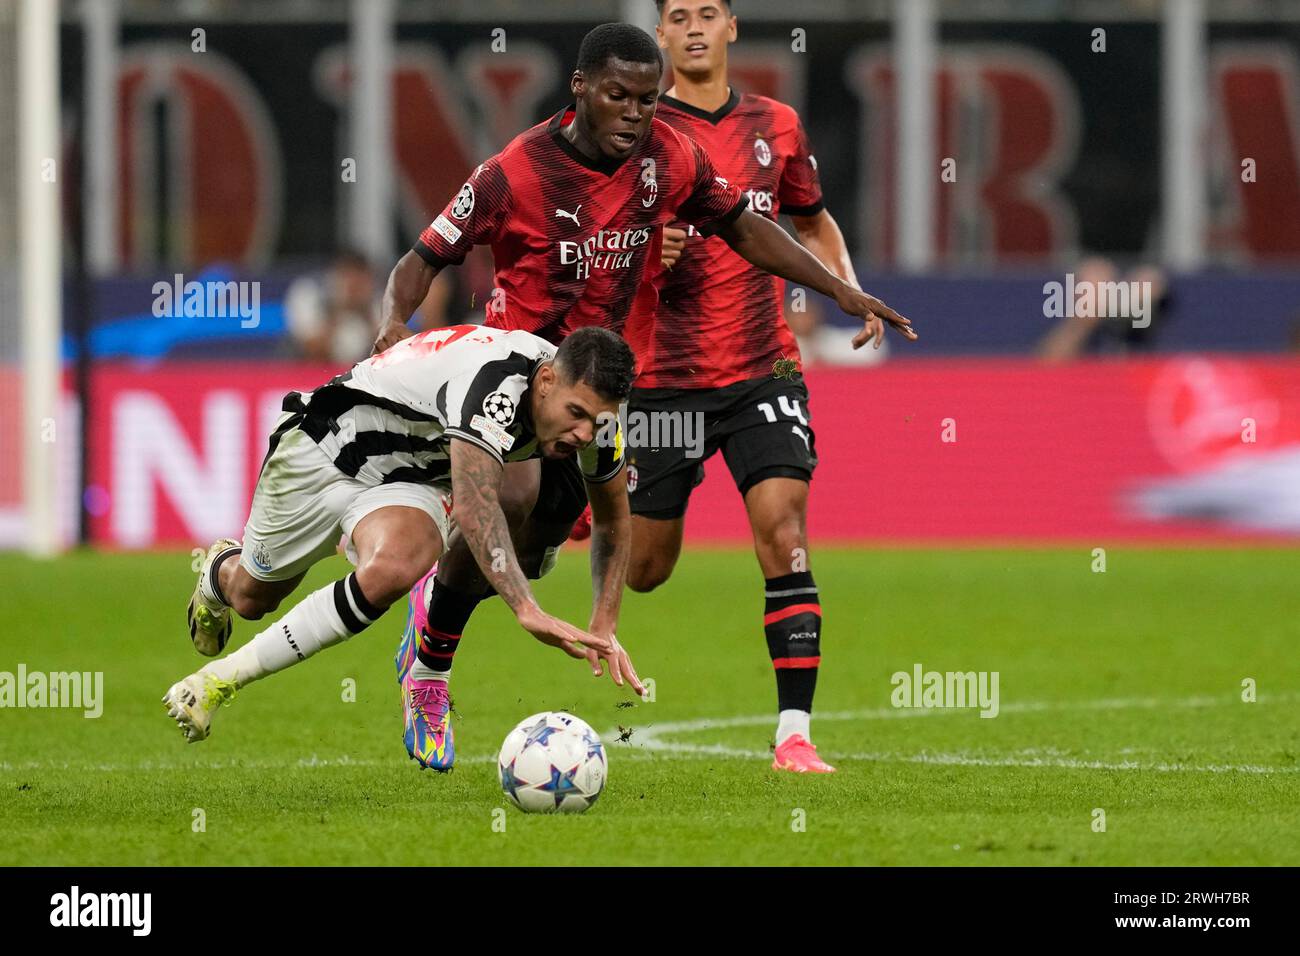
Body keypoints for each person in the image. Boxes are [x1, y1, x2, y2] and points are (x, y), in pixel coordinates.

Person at [372, 21, 914, 770]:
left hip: (610, 387)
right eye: (619, 96)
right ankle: (429, 667)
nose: (635, 112)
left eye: (647, 99)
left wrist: (840, 290)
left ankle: (450, 600)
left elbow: (748, 228)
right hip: (520, 378)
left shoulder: (672, 154)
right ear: (582, 89)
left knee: (534, 553)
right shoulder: (513, 171)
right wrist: (395, 320)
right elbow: (425, 254)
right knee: (516, 501)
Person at [164, 324, 643, 744]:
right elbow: (477, 506)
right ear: (545, 381)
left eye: (596, 421)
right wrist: (525, 607)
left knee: (396, 566)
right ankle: (219, 574)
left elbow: (614, 519)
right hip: (325, 445)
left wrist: (605, 622)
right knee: (251, 597)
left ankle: (217, 682)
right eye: (576, 413)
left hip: (407, 480)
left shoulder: (597, 425)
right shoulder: (496, 383)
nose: (585, 433)